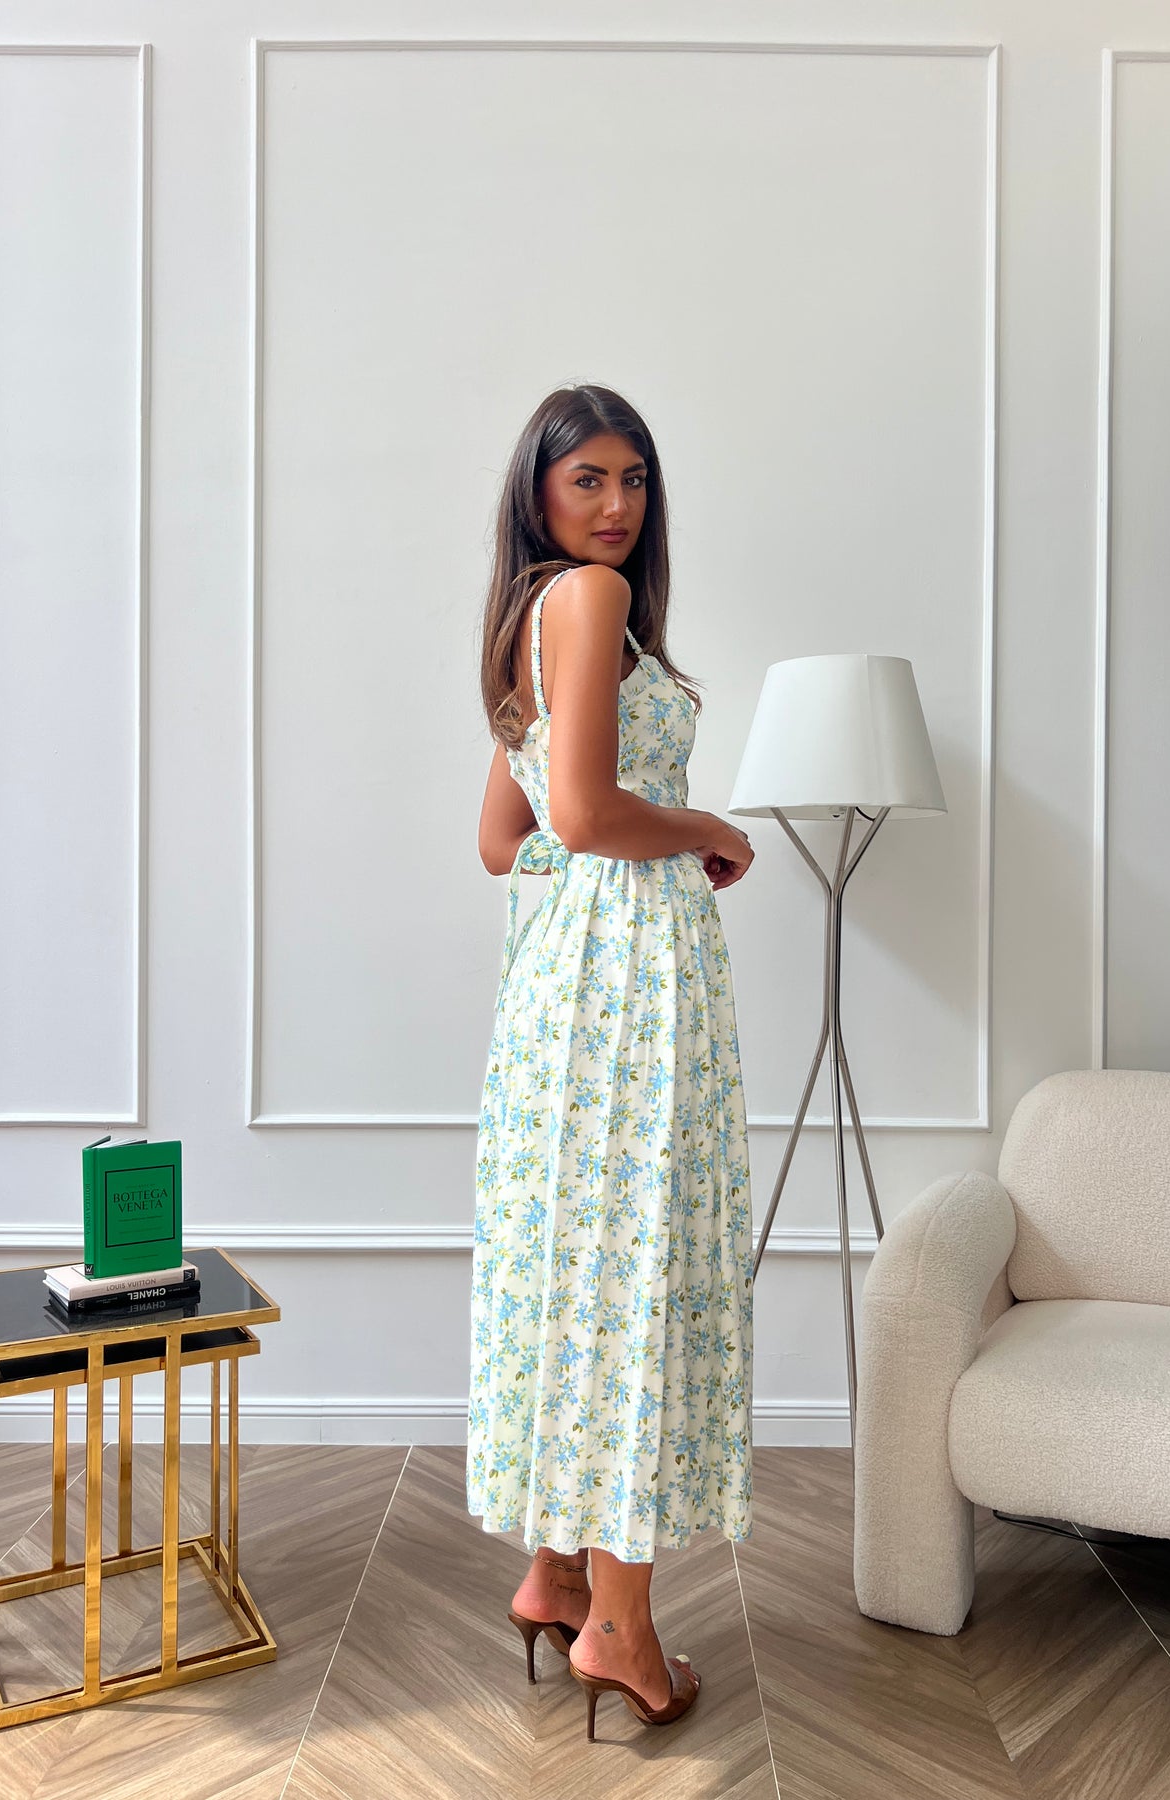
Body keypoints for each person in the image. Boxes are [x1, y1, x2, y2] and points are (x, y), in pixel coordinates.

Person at [468, 383, 755, 1741]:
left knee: (578, 1263)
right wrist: (707, 830)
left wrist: (590, 883)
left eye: (633, 479)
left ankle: (557, 1571)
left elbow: (503, 839)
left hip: (564, 986)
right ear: (537, 491)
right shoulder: (586, 602)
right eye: (587, 478)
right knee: (636, 1271)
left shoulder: (529, 621)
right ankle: (623, 1633)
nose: (617, 503)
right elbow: (580, 814)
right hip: (633, 983)